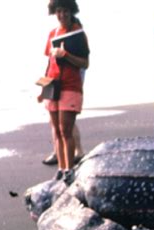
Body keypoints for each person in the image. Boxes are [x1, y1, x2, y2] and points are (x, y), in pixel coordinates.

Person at [42, 0, 89, 183]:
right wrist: (44, 87)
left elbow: (85, 64)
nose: (61, 15)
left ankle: (69, 171)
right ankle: (61, 170)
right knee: (56, 130)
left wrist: (66, 55)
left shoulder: (78, 33)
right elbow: (49, 63)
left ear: (71, 12)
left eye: (65, 11)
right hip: (52, 85)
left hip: (70, 85)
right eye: (58, 11)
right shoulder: (53, 33)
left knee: (66, 130)